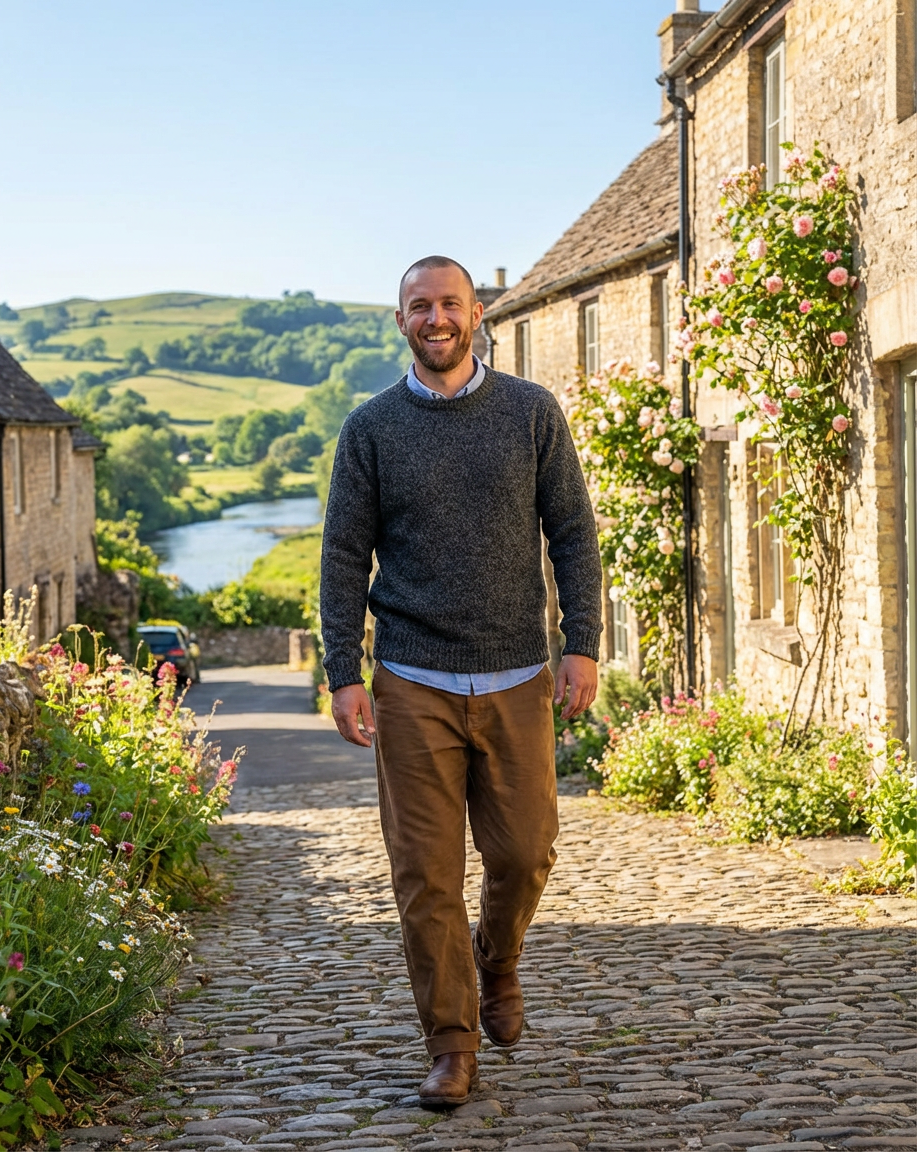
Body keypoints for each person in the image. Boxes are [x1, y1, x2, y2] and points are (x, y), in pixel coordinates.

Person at [319, 255, 603, 1106]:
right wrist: (344, 670)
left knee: (523, 852)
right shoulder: (370, 430)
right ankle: (452, 1043)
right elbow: (342, 557)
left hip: (518, 675)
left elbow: (574, 535)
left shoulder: (530, 413)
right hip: (411, 679)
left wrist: (581, 644)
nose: (434, 318)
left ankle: (499, 961)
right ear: (399, 319)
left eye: (449, 303)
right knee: (426, 873)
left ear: (476, 314)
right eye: (418, 306)